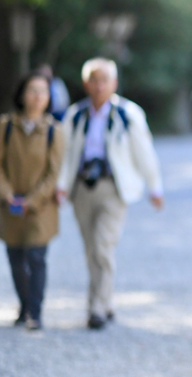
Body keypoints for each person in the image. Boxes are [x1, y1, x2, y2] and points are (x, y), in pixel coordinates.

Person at [57, 58, 164, 330]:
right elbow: (65, 155)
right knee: (92, 248)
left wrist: (154, 185)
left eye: (105, 80)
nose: (99, 85)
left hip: (113, 187)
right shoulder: (75, 116)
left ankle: (96, 307)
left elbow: (144, 151)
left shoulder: (128, 114)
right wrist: (60, 185)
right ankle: (106, 301)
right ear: (86, 83)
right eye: (94, 80)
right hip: (82, 187)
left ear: (114, 83)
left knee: (104, 245)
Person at [1, 73, 64, 331]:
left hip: (40, 207)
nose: (38, 96)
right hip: (8, 204)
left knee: (36, 257)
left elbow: (54, 173)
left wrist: (32, 200)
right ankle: (24, 305)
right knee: (15, 256)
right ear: (22, 94)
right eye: (32, 90)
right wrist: (6, 193)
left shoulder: (53, 131)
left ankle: (35, 312)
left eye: (43, 91)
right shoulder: (5, 127)